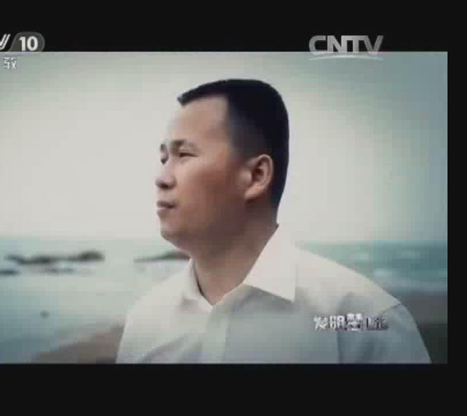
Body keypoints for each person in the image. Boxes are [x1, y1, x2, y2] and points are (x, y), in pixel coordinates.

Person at [116, 79, 430, 363]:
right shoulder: (145, 322)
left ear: (257, 175)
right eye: (163, 158)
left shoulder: (363, 320)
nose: (161, 177)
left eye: (184, 155)